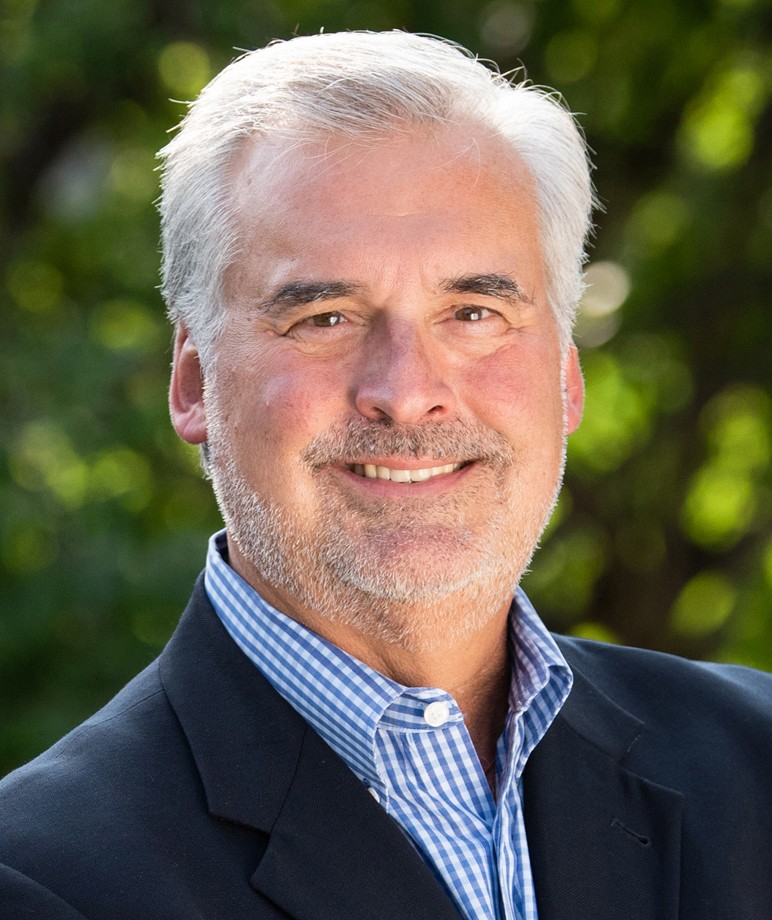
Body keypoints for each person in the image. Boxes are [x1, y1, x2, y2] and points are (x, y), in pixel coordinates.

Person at [1, 30, 771, 920]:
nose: (407, 394)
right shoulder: (43, 882)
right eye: (324, 317)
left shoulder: (758, 770)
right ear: (193, 382)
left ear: (566, 375)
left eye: (474, 311)